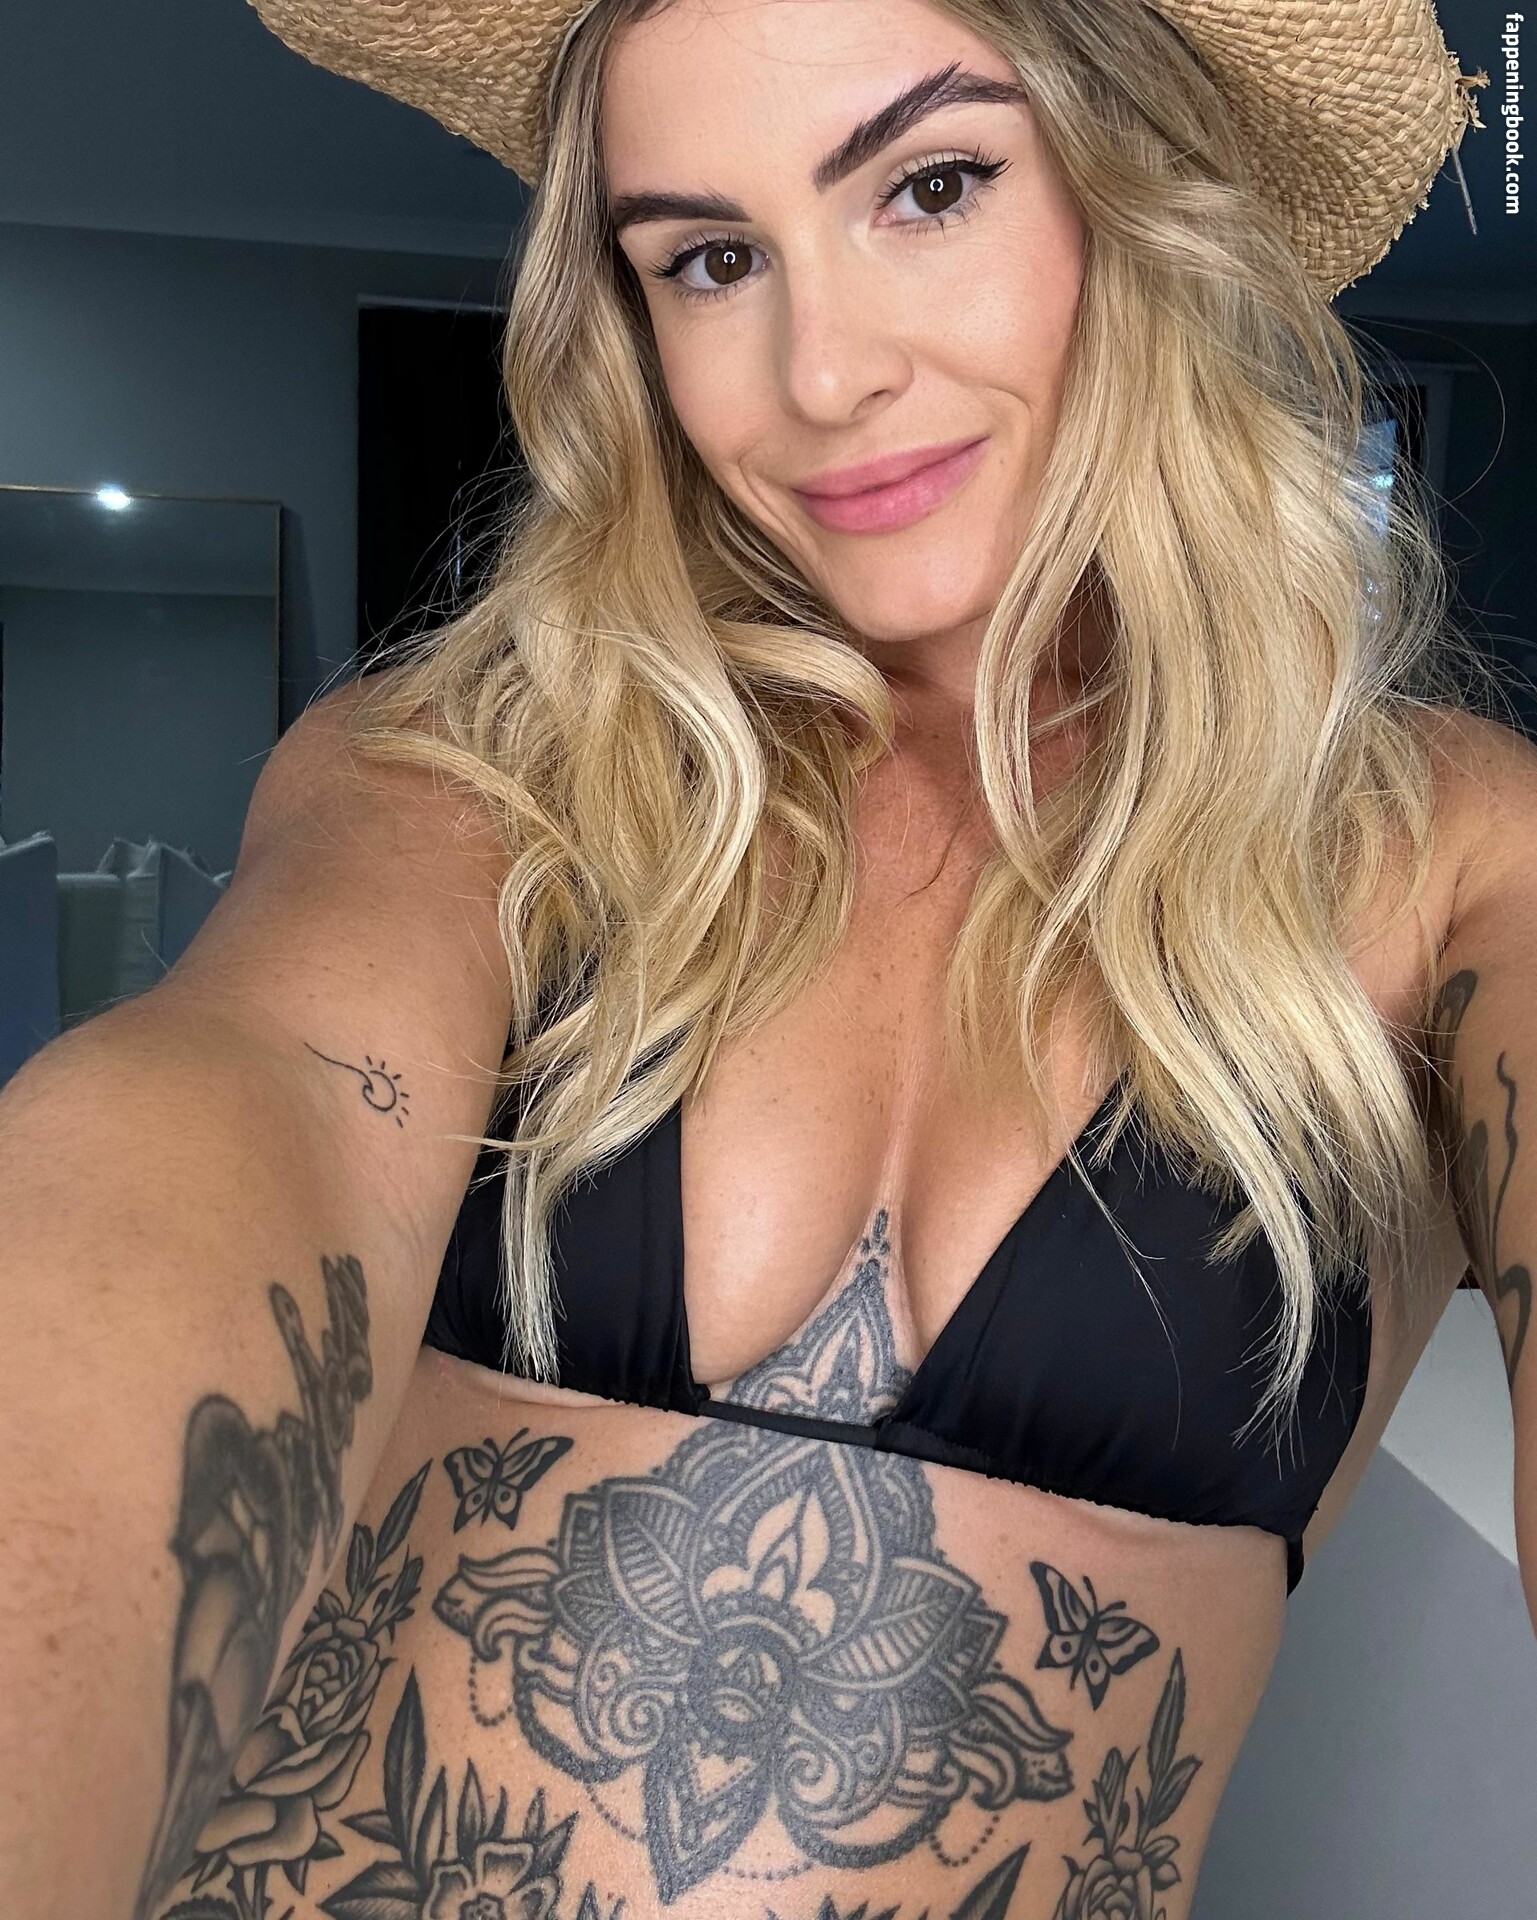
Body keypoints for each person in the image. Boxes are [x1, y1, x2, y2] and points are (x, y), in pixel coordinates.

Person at [0, 0, 1525, 1915]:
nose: (819, 373)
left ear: (1143, 198)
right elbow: (213, 1134)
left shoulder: (1452, 857)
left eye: (932, 187)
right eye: (710, 260)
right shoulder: (470, 781)